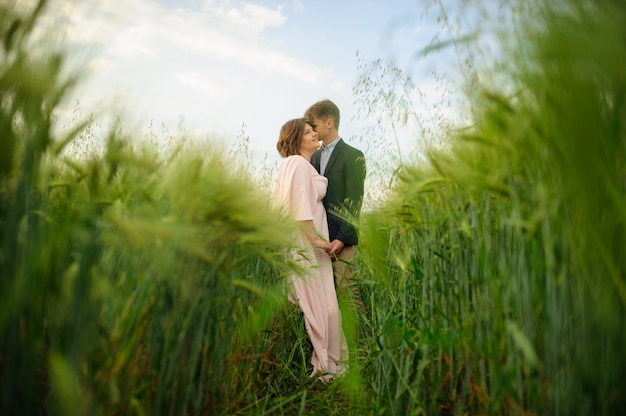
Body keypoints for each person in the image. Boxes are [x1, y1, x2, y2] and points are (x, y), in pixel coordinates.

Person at [273, 118, 348, 382]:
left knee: (327, 303)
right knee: (319, 304)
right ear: (295, 139)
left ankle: (330, 361)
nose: (315, 133)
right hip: (307, 246)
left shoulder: (305, 165)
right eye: (307, 132)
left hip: (316, 244)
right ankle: (323, 362)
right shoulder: (295, 163)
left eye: (312, 129)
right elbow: (296, 206)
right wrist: (316, 241)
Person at [304, 99, 366, 317]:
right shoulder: (314, 156)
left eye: (315, 126)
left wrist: (342, 238)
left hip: (342, 238)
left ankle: (362, 348)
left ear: (329, 123)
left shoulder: (353, 155)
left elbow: (354, 200)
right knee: (323, 297)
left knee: (347, 291)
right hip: (319, 237)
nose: (312, 131)